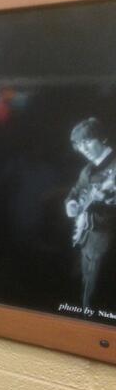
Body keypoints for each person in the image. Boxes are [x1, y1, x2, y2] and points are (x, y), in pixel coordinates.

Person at [65, 117, 116, 310]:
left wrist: (109, 199)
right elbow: (75, 192)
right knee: (81, 292)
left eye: (87, 141)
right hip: (86, 240)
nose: (83, 148)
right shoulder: (87, 171)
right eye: (79, 144)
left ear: (102, 138)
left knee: (96, 299)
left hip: (107, 241)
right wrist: (70, 203)